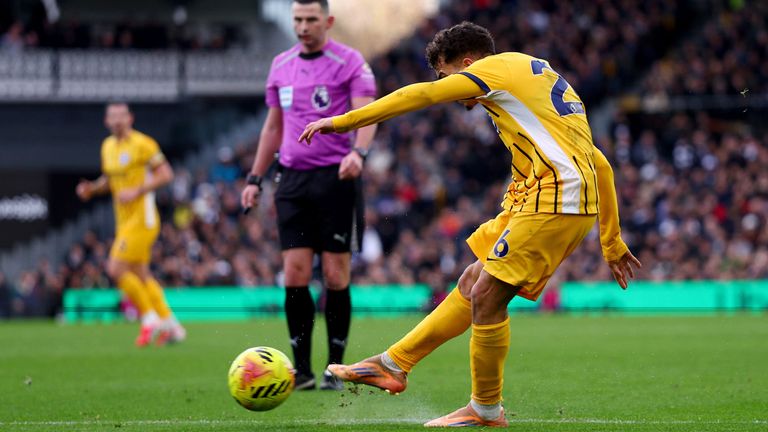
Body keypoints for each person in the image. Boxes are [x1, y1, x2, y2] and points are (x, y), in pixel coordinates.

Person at [300, 22, 641, 427]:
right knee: (471, 282)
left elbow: (422, 95)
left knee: (487, 295)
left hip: (556, 195)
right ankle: (395, 363)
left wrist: (343, 122)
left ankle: (485, 408)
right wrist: (611, 239)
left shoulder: (494, 72)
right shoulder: (539, 76)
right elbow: (598, 161)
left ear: (466, 64)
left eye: (446, 76)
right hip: (540, 194)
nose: (446, 88)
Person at [240, 0, 377, 391]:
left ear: (328, 21)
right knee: (295, 274)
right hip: (292, 181)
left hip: (336, 179)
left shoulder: (349, 62)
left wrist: (358, 152)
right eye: (297, 19)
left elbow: (367, 114)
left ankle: (336, 366)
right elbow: (272, 128)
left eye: (310, 19)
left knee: (335, 275)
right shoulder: (281, 65)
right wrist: (254, 178)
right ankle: (300, 371)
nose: (302, 26)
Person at [76, 102, 186, 347]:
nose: (117, 121)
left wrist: (138, 190)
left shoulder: (143, 144)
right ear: (106, 121)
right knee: (141, 274)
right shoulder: (107, 147)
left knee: (115, 269)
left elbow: (166, 174)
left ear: (130, 118)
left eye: (121, 116)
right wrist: (92, 189)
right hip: (124, 220)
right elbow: (110, 179)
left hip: (143, 218)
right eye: (112, 117)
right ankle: (172, 326)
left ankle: (149, 319)